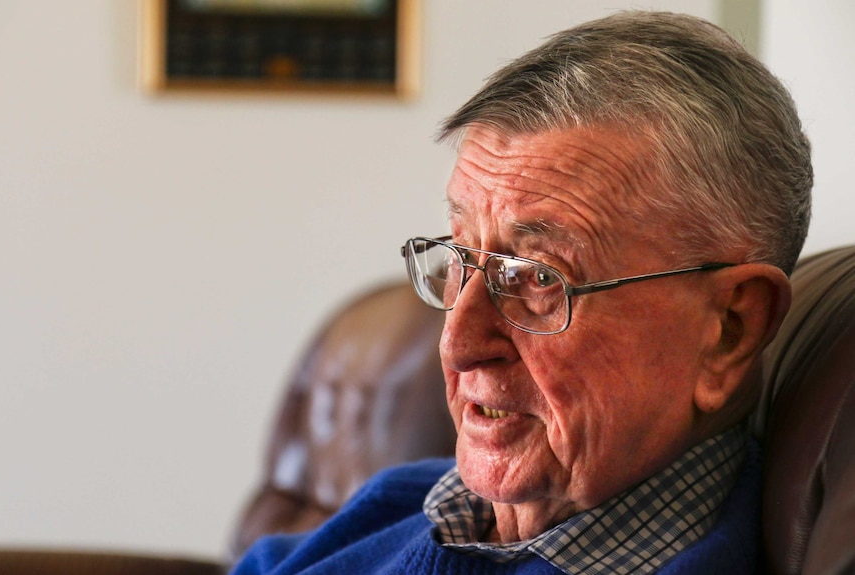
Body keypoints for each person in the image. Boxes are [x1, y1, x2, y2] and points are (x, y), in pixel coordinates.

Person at [231, 10, 812, 575]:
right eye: (462, 257)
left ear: (729, 331)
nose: (457, 343)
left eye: (537, 276)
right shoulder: (401, 499)